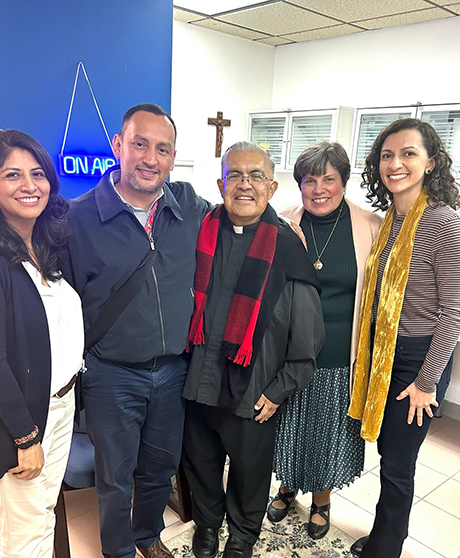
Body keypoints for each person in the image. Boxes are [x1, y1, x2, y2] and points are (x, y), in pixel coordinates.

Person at [63, 103, 211, 558]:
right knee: (114, 475)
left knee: (160, 466)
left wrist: (286, 223)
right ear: (118, 147)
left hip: (172, 370)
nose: (150, 158)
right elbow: (60, 303)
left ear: (172, 156)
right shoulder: (78, 218)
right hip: (111, 374)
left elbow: (239, 219)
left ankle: (147, 537)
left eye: (162, 149)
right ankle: (119, 550)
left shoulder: (187, 205)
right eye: (140, 144)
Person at [182, 141, 325, 558]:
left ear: (272, 187)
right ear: (220, 183)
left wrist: (279, 388)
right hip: (199, 379)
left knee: (249, 473)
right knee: (201, 465)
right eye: (236, 175)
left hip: (254, 387)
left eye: (256, 176)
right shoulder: (202, 230)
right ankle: (207, 528)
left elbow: (307, 333)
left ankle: (242, 537)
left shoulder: (286, 245)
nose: (245, 185)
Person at [0, 130, 84, 558]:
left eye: (37, 174)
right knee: (27, 533)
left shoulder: (44, 245)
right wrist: (26, 438)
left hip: (61, 404)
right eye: (13, 175)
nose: (30, 186)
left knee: (42, 514)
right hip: (28, 417)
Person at [347, 118, 460, 558]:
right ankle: (383, 534)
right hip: (382, 351)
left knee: (398, 463)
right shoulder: (392, 218)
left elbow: (454, 312)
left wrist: (427, 381)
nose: (396, 164)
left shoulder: (444, 222)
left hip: (418, 358)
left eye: (409, 153)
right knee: (389, 456)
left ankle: (386, 547)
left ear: (430, 162)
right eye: (387, 155)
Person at [267, 142, 382, 539]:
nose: (319, 189)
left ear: (343, 182)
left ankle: (321, 499)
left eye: (328, 179)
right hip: (289, 352)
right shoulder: (283, 223)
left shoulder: (370, 225)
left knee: (327, 430)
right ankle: (285, 487)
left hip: (340, 352)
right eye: (309, 180)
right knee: (288, 426)